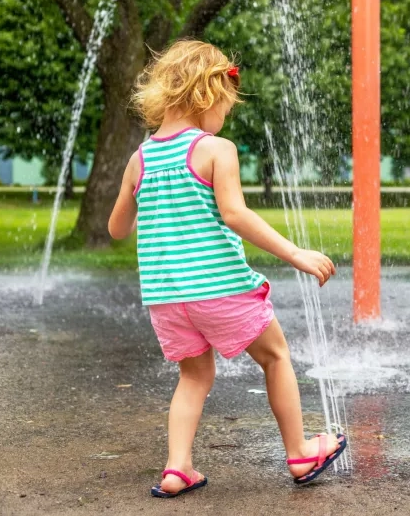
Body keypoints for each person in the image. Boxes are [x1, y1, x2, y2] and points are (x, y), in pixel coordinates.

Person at [108, 40, 347, 498]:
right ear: (207, 93)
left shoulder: (139, 159)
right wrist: (297, 255)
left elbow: (117, 228)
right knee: (275, 357)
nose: (226, 115)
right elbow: (235, 215)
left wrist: (142, 200)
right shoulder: (215, 149)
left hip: (167, 298)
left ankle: (177, 468)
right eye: (226, 104)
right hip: (220, 288)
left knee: (194, 376)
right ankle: (300, 452)